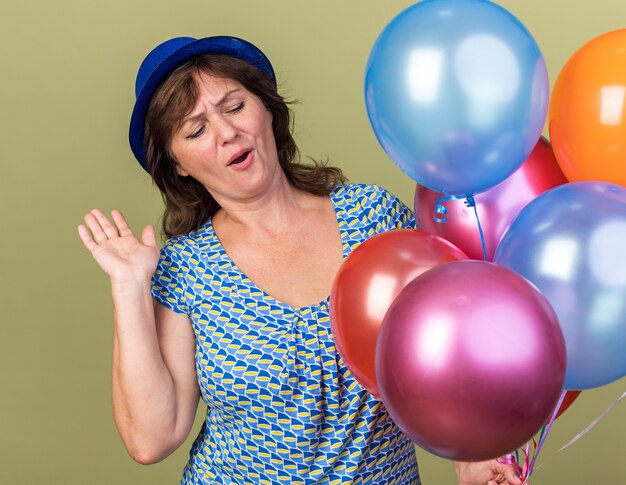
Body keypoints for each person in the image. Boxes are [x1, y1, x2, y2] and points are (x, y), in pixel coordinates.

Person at [78, 35, 525, 485]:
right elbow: (151, 439)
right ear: (178, 165)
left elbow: (452, 348)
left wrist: (470, 457)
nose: (226, 132)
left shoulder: (373, 217)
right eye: (195, 130)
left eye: (234, 106)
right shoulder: (185, 268)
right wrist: (129, 286)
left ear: (267, 108)